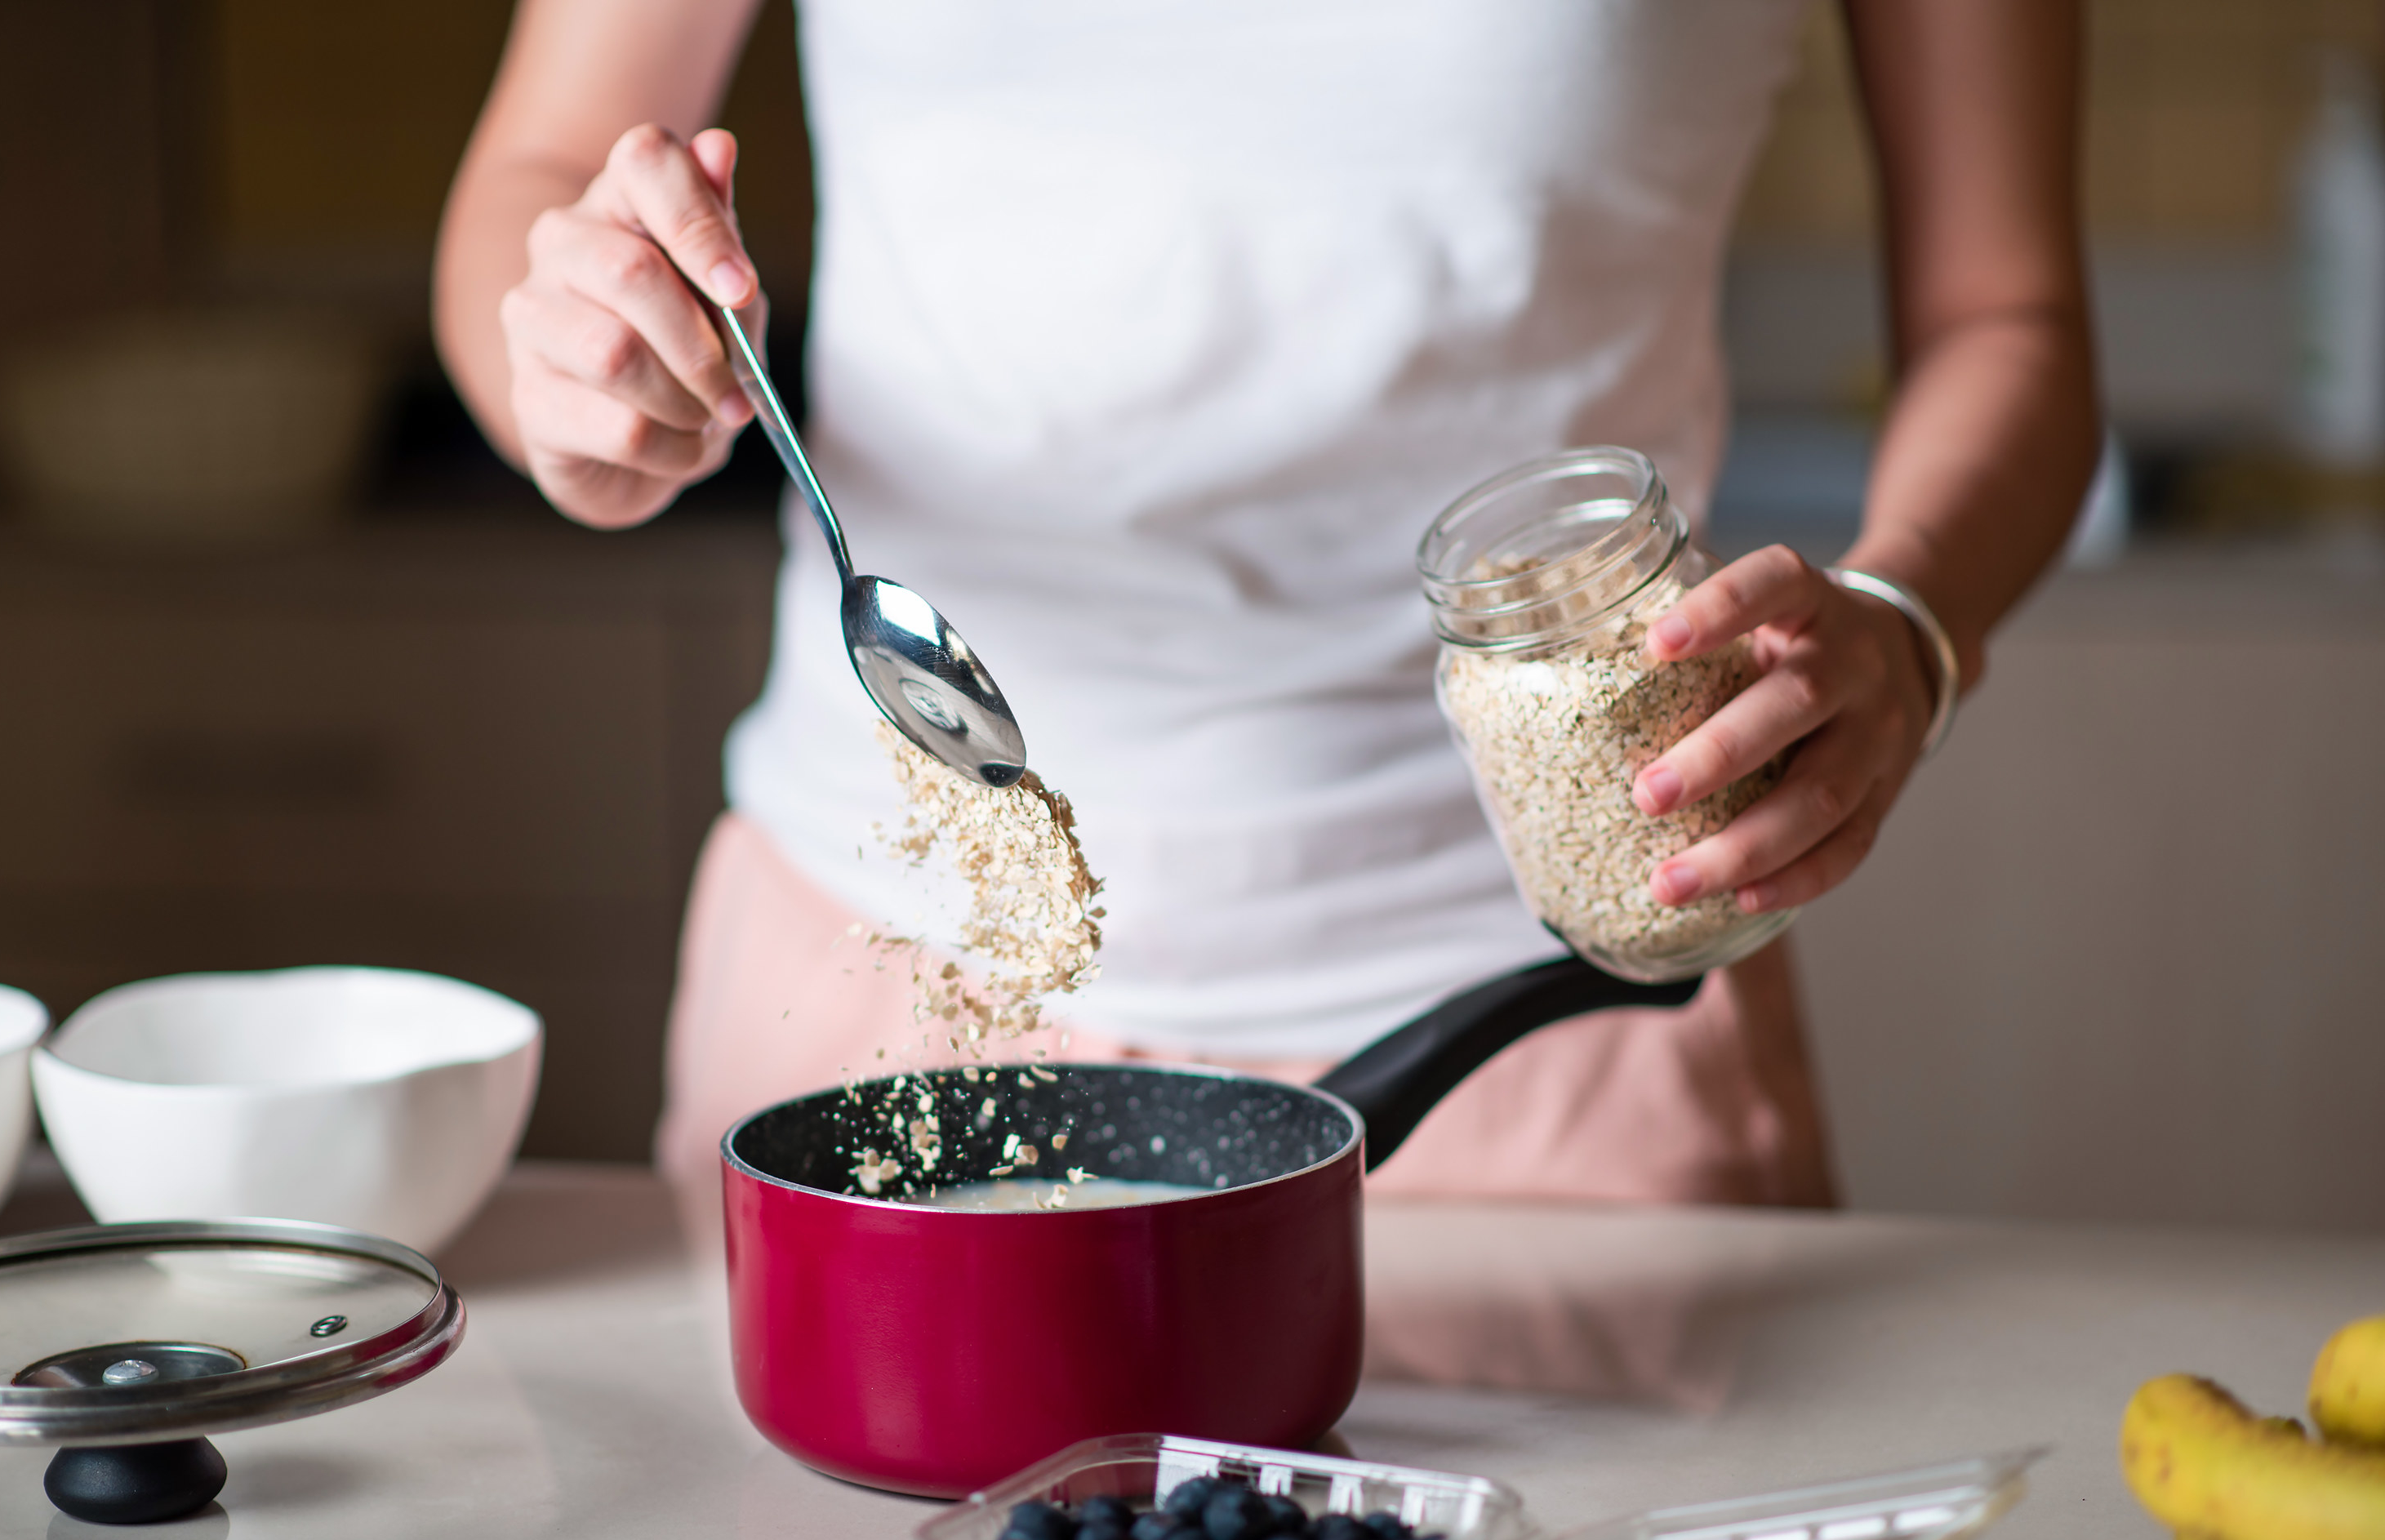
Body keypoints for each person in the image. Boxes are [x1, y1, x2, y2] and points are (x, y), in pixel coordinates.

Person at [436, 0, 2098, 1217]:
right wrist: (577, 365)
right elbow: (540, 170)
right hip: (886, 985)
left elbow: (2007, 310)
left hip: (1553, 1016)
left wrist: (1910, 617)